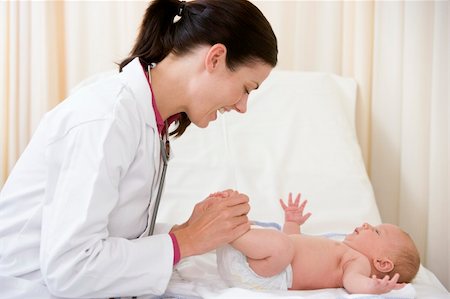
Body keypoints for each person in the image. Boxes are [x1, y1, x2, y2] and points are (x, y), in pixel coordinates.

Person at [0, 0, 277, 298]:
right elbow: (71, 269)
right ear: (215, 58)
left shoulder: (150, 121)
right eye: (247, 88)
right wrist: (186, 241)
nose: (242, 106)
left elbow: (113, 236)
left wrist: (188, 231)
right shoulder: (105, 118)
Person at [217, 193, 421, 294]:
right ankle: (231, 230)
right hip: (254, 261)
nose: (367, 224)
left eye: (376, 231)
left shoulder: (359, 262)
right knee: (284, 243)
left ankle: (229, 230)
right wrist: (291, 223)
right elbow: (294, 241)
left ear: (382, 263)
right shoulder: (340, 247)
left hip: (265, 273)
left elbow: (352, 282)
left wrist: (372, 287)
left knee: (282, 246)